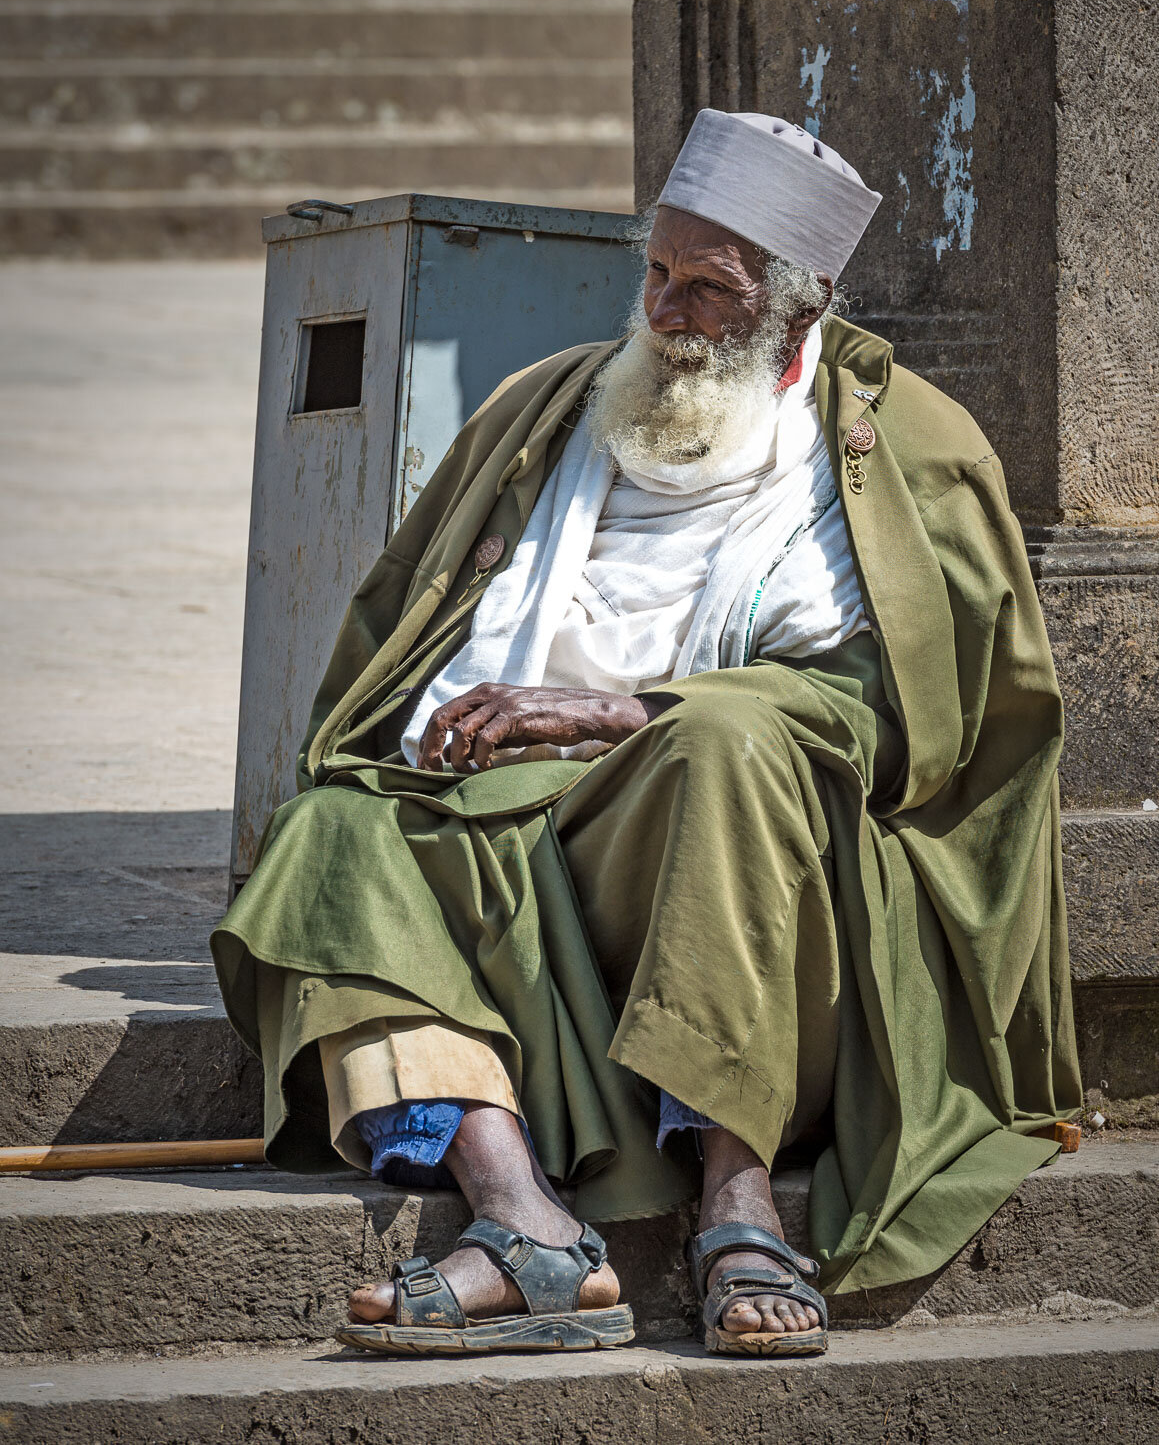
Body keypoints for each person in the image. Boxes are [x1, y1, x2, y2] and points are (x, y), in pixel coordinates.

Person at [212, 110, 1082, 1360]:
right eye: (656, 274)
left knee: (717, 745)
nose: (668, 312)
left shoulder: (905, 452)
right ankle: (522, 1222)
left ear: (796, 303)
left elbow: (921, 726)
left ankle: (734, 1195)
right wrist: (445, 735)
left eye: (710, 290)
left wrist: (626, 713)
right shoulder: (551, 407)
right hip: (505, 823)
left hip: (748, 869)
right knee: (329, 835)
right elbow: (408, 628)